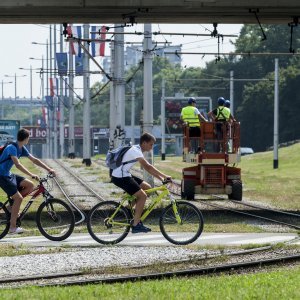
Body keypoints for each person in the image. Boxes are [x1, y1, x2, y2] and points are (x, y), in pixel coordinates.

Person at [111, 132, 171, 234]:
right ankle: (136, 225)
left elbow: (149, 170)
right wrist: (165, 176)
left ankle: (129, 210)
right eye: (151, 144)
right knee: (142, 196)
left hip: (124, 174)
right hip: (120, 177)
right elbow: (148, 167)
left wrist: (161, 179)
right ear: (144, 143)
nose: (152, 147)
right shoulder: (136, 151)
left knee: (147, 187)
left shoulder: (137, 149)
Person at [0, 128, 56, 234]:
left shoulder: (22, 148)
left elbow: (34, 160)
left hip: (8, 174)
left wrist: (49, 169)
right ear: (26, 138)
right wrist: (31, 174)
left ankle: (11, 207)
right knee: (19, 198)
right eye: (28, 137)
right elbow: (17, 164)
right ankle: (12, 228)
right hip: (1, 175)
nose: (28, 139)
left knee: (30, 185)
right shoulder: (12, 148)